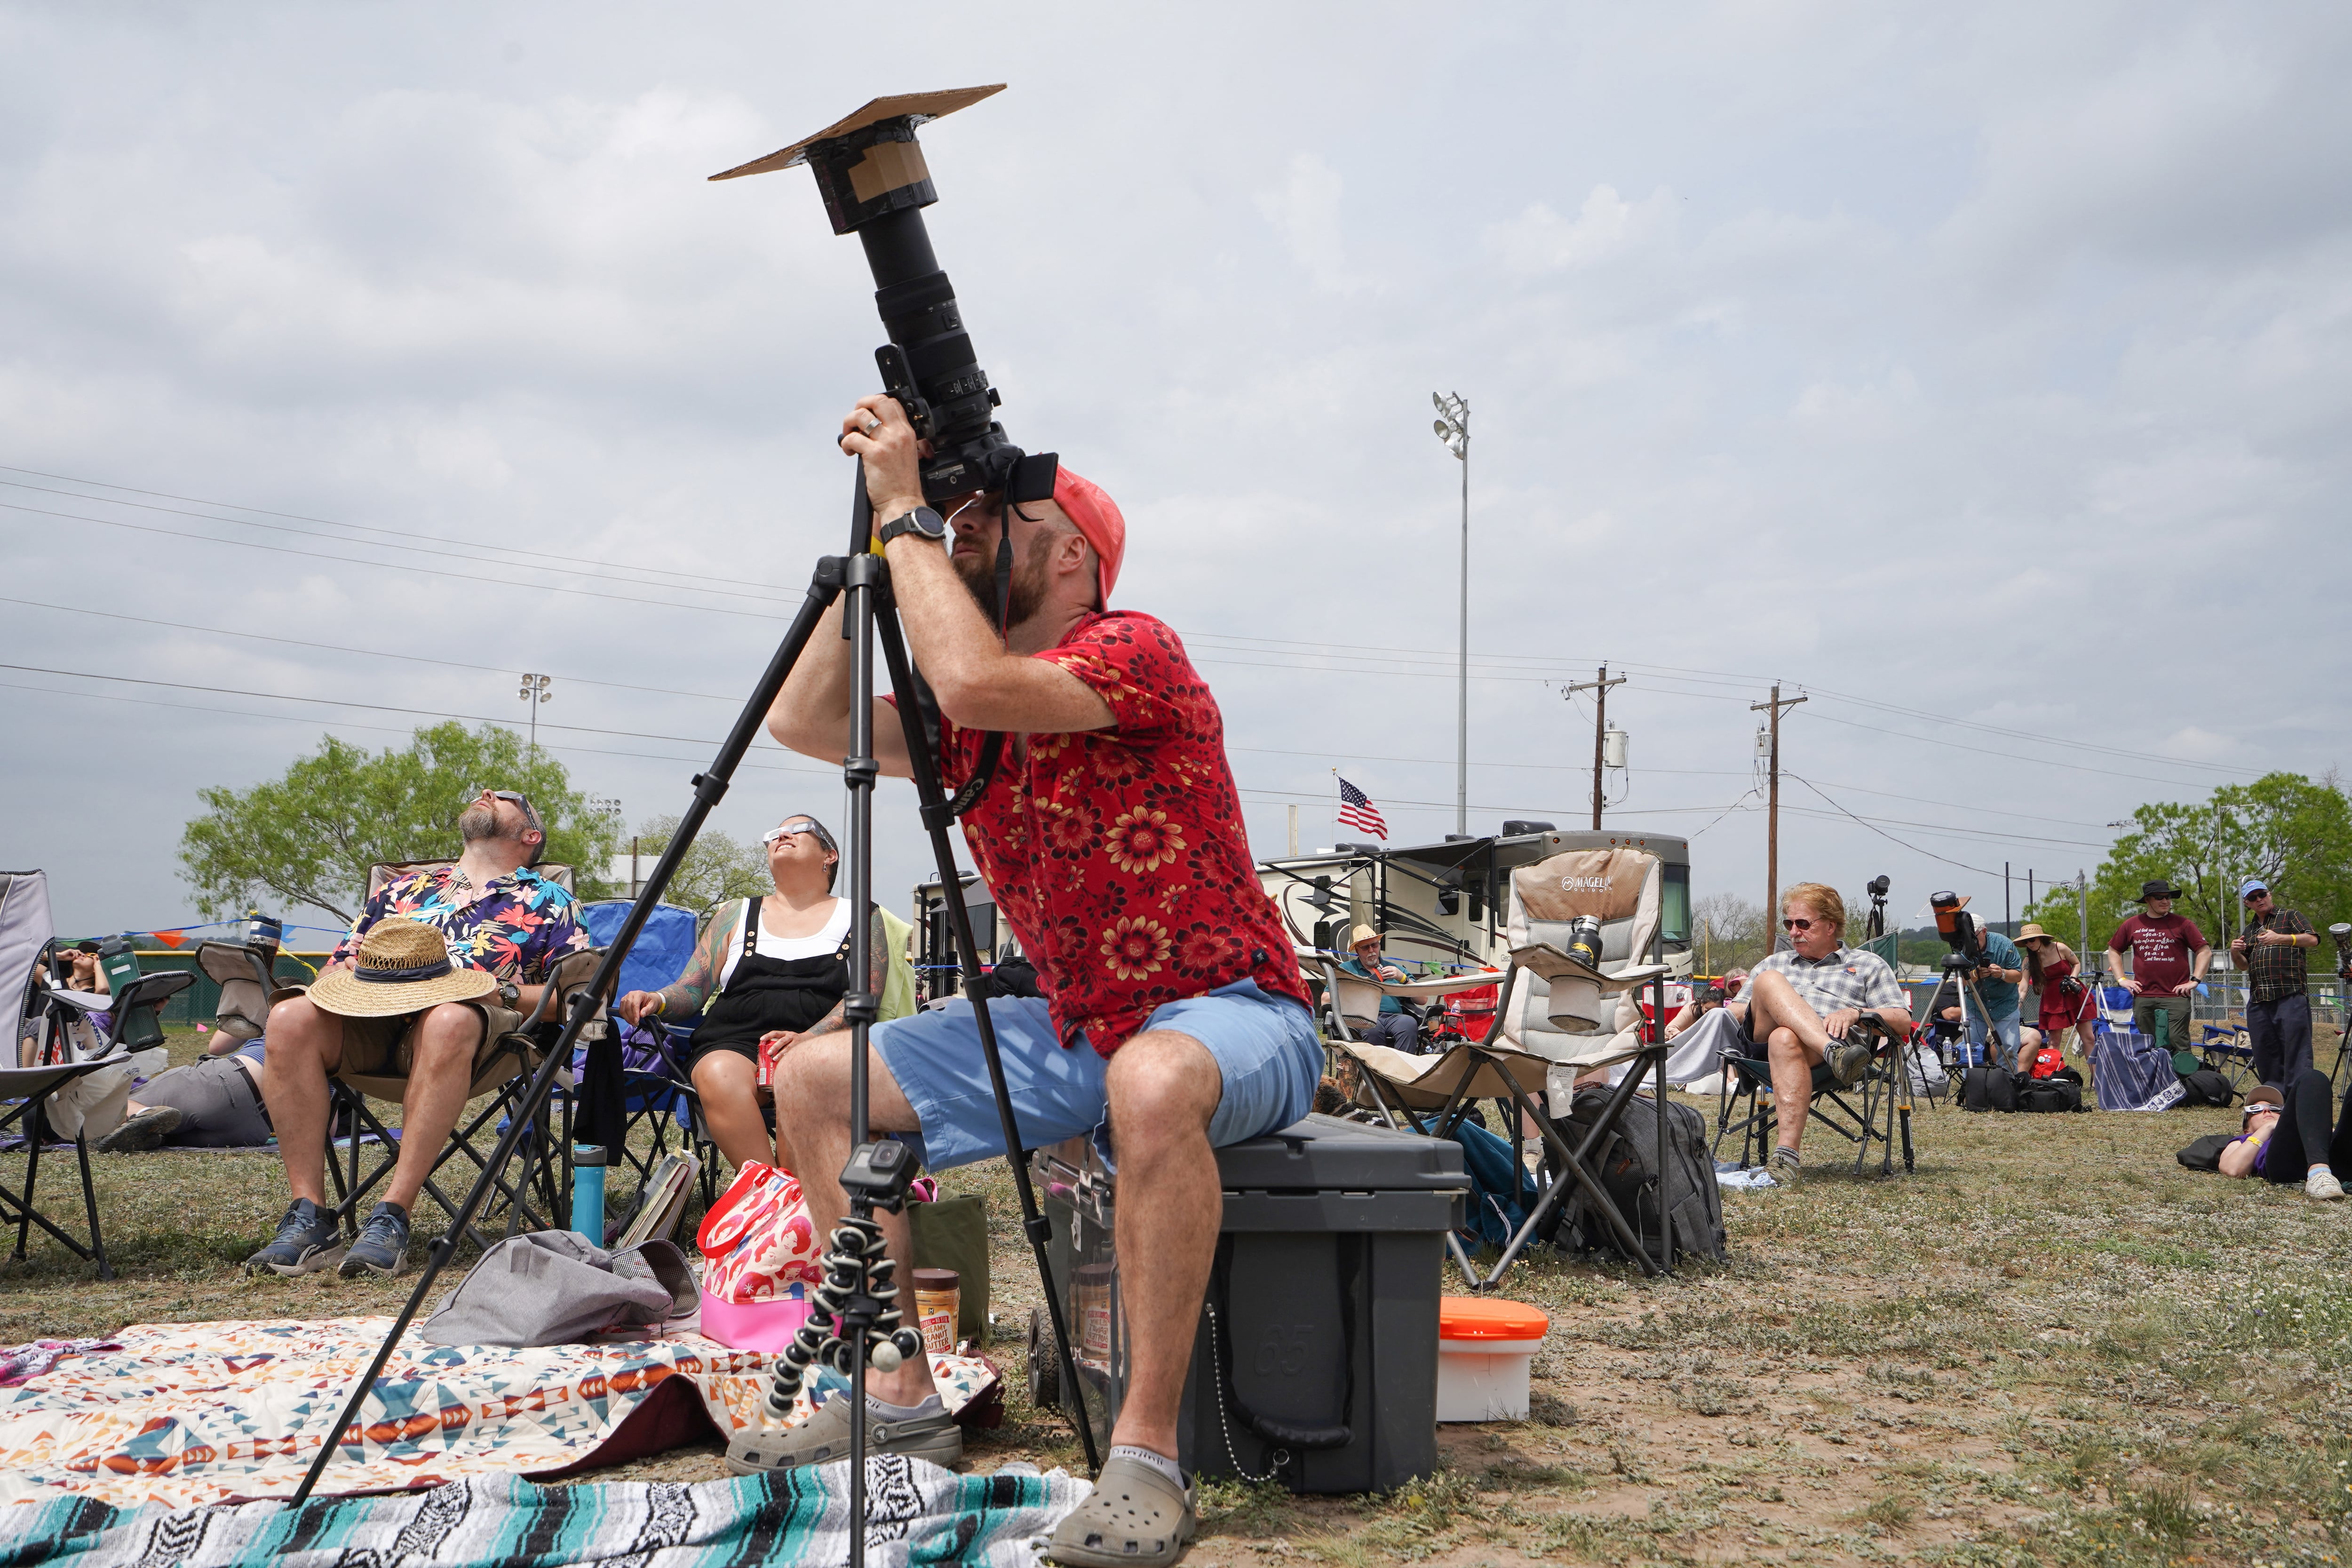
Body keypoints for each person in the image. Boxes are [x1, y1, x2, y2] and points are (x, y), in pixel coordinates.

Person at [761, 393, 1319, 1568]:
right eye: (954, 518)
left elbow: (967, 685)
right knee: (816, 1079)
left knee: (1157, 1081)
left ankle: (1146, 1459)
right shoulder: (973, 716)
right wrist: (873, 541)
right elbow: (806, 720)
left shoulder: (1134, 649)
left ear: (1072, 554)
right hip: (1078, 1022)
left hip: (1230, 1008)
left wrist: (911, 508)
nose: (963, 530)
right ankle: (900, 1389)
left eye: (991, 519)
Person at [244, 788, 587, 1280]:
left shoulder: (552, 901)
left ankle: (392, 1215)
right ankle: (309, 1216)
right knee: (290, 1016)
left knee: (448, 1016)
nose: (486, 793)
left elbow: (575, 1002)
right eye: (484, 793)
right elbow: (335, 971)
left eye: (505, 796)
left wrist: (498, 994)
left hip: (483, 1039)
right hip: (373, 1025)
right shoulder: (401, 891)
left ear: (530, 834)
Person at [613, 813, 888, 1175]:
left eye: (798, 829)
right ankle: (771, 1195)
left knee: (801, 1076)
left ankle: (789, 1202)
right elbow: (692, 990)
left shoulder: (862, 916)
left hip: (820, 1046)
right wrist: (658, 999)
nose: (782, 835)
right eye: (775, 833)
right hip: (735, 1042)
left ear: (829, 855)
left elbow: (864, 998)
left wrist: (807, 1040)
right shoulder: (735, 914)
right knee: (717, 1073)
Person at [1724, 883, 1911, 1186]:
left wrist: (1856, 1013)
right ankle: (1832, 1052)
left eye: (1803, 924)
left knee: (1785, 1037)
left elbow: (1902, 1021)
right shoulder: (1775, 963)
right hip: (1765, 1046)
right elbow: (1735, 1012)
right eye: (1789, 924)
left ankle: (1785, 1158)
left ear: (1831, 926)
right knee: (1771, 982)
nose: (1794, 932)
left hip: (1826, 1048)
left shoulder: (1867, 965)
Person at [92, 1041, 272, 1152]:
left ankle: (142, 1113)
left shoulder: (281, 1014)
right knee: (166, 1136)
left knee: (121, 1104)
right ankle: (155, 1135)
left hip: (230, 1084)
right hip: (255, 1131)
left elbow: (218, 1046)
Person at [2231, 877, 2318, 1085]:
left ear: (2269, 895)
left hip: (2290, 994)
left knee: (2296, 1050)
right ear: (2247, 903)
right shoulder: (2250, 930)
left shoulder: (2289, 916)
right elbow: (2244, 965)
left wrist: (2281, 938)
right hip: (2260, 999)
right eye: (2253, 898)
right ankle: (2274, 1097)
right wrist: (2234, 952)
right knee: (2265, 1051)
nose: (2259, 899)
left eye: (2262, 894)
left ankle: (2298, 1098)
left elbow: (2313, 939)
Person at [1924, 892, 2025, 1071]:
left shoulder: (2005, 945)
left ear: (1984, 931)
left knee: (2009, 1049)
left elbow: (2018, 976)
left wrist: (2001, 973)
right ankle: (1971, 1088)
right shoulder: (1963, 948)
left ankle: (2008, 1087)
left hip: (2005, 1006)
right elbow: (1960, 983)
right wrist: (1976, 975)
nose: (1970, 940)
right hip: (1976, 1008)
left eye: (1974, 936)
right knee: (1969, 1050)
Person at [2108, 879, 2211, 1049]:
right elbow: (2114, 951)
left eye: (2168, 897)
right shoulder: (2132, 924)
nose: (2165, 901)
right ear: (2148, 900)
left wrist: (2195, 980)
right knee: (2148, 1043)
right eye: (2159, 898)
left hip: (2176, 996)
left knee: (2178, 1041)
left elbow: (2204, 951)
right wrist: (2122, 979)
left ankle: (2182, 1075)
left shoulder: (2182, 924)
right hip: (2143, 995)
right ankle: (2153, 1075)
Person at [2218, 1075, 2348, 1200]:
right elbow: (2232, 1169)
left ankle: (2322, 1171)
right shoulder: (2243, 1140)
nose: (2267, 1111)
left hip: (2337, 1161)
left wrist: (2320, 1128)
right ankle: (2319, 1173)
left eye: (2275, 1108)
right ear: (2247, 1130)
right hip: (2287, 1166)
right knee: (2312, 1078)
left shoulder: (2308, 1126)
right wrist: (2268, 1127)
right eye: (2256, 1109)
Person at [2015, 923, 2098, 1075]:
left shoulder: (2060, 948)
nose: (2030, 944)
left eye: (2032, 940)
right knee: (2054, 1042)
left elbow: (2077, 964)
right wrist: (2016, 1010)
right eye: (2026, 942)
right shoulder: (2028, 961)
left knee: (2089, 1037)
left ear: (2040, 938)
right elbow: (2023, 987)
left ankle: (2096, 1078)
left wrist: (2073, 978)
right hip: (2053, 999)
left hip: (2074, 993)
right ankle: (2050, 1076)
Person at [1336, 925, 1421, 1054]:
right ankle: (1377, 1072)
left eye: (1375, 945)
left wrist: (1403, 978)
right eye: (1365, 947)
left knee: (1409, 1023)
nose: (1372, 951)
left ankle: (1402, 1069)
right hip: (1363, 1017)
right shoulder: (1346, 969)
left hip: (1394, 1017)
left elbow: (1422, 999)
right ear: (1357, 951)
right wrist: (1357, 990)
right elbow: (1325, 998)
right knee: (1372, 1029)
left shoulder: (1394, 968)